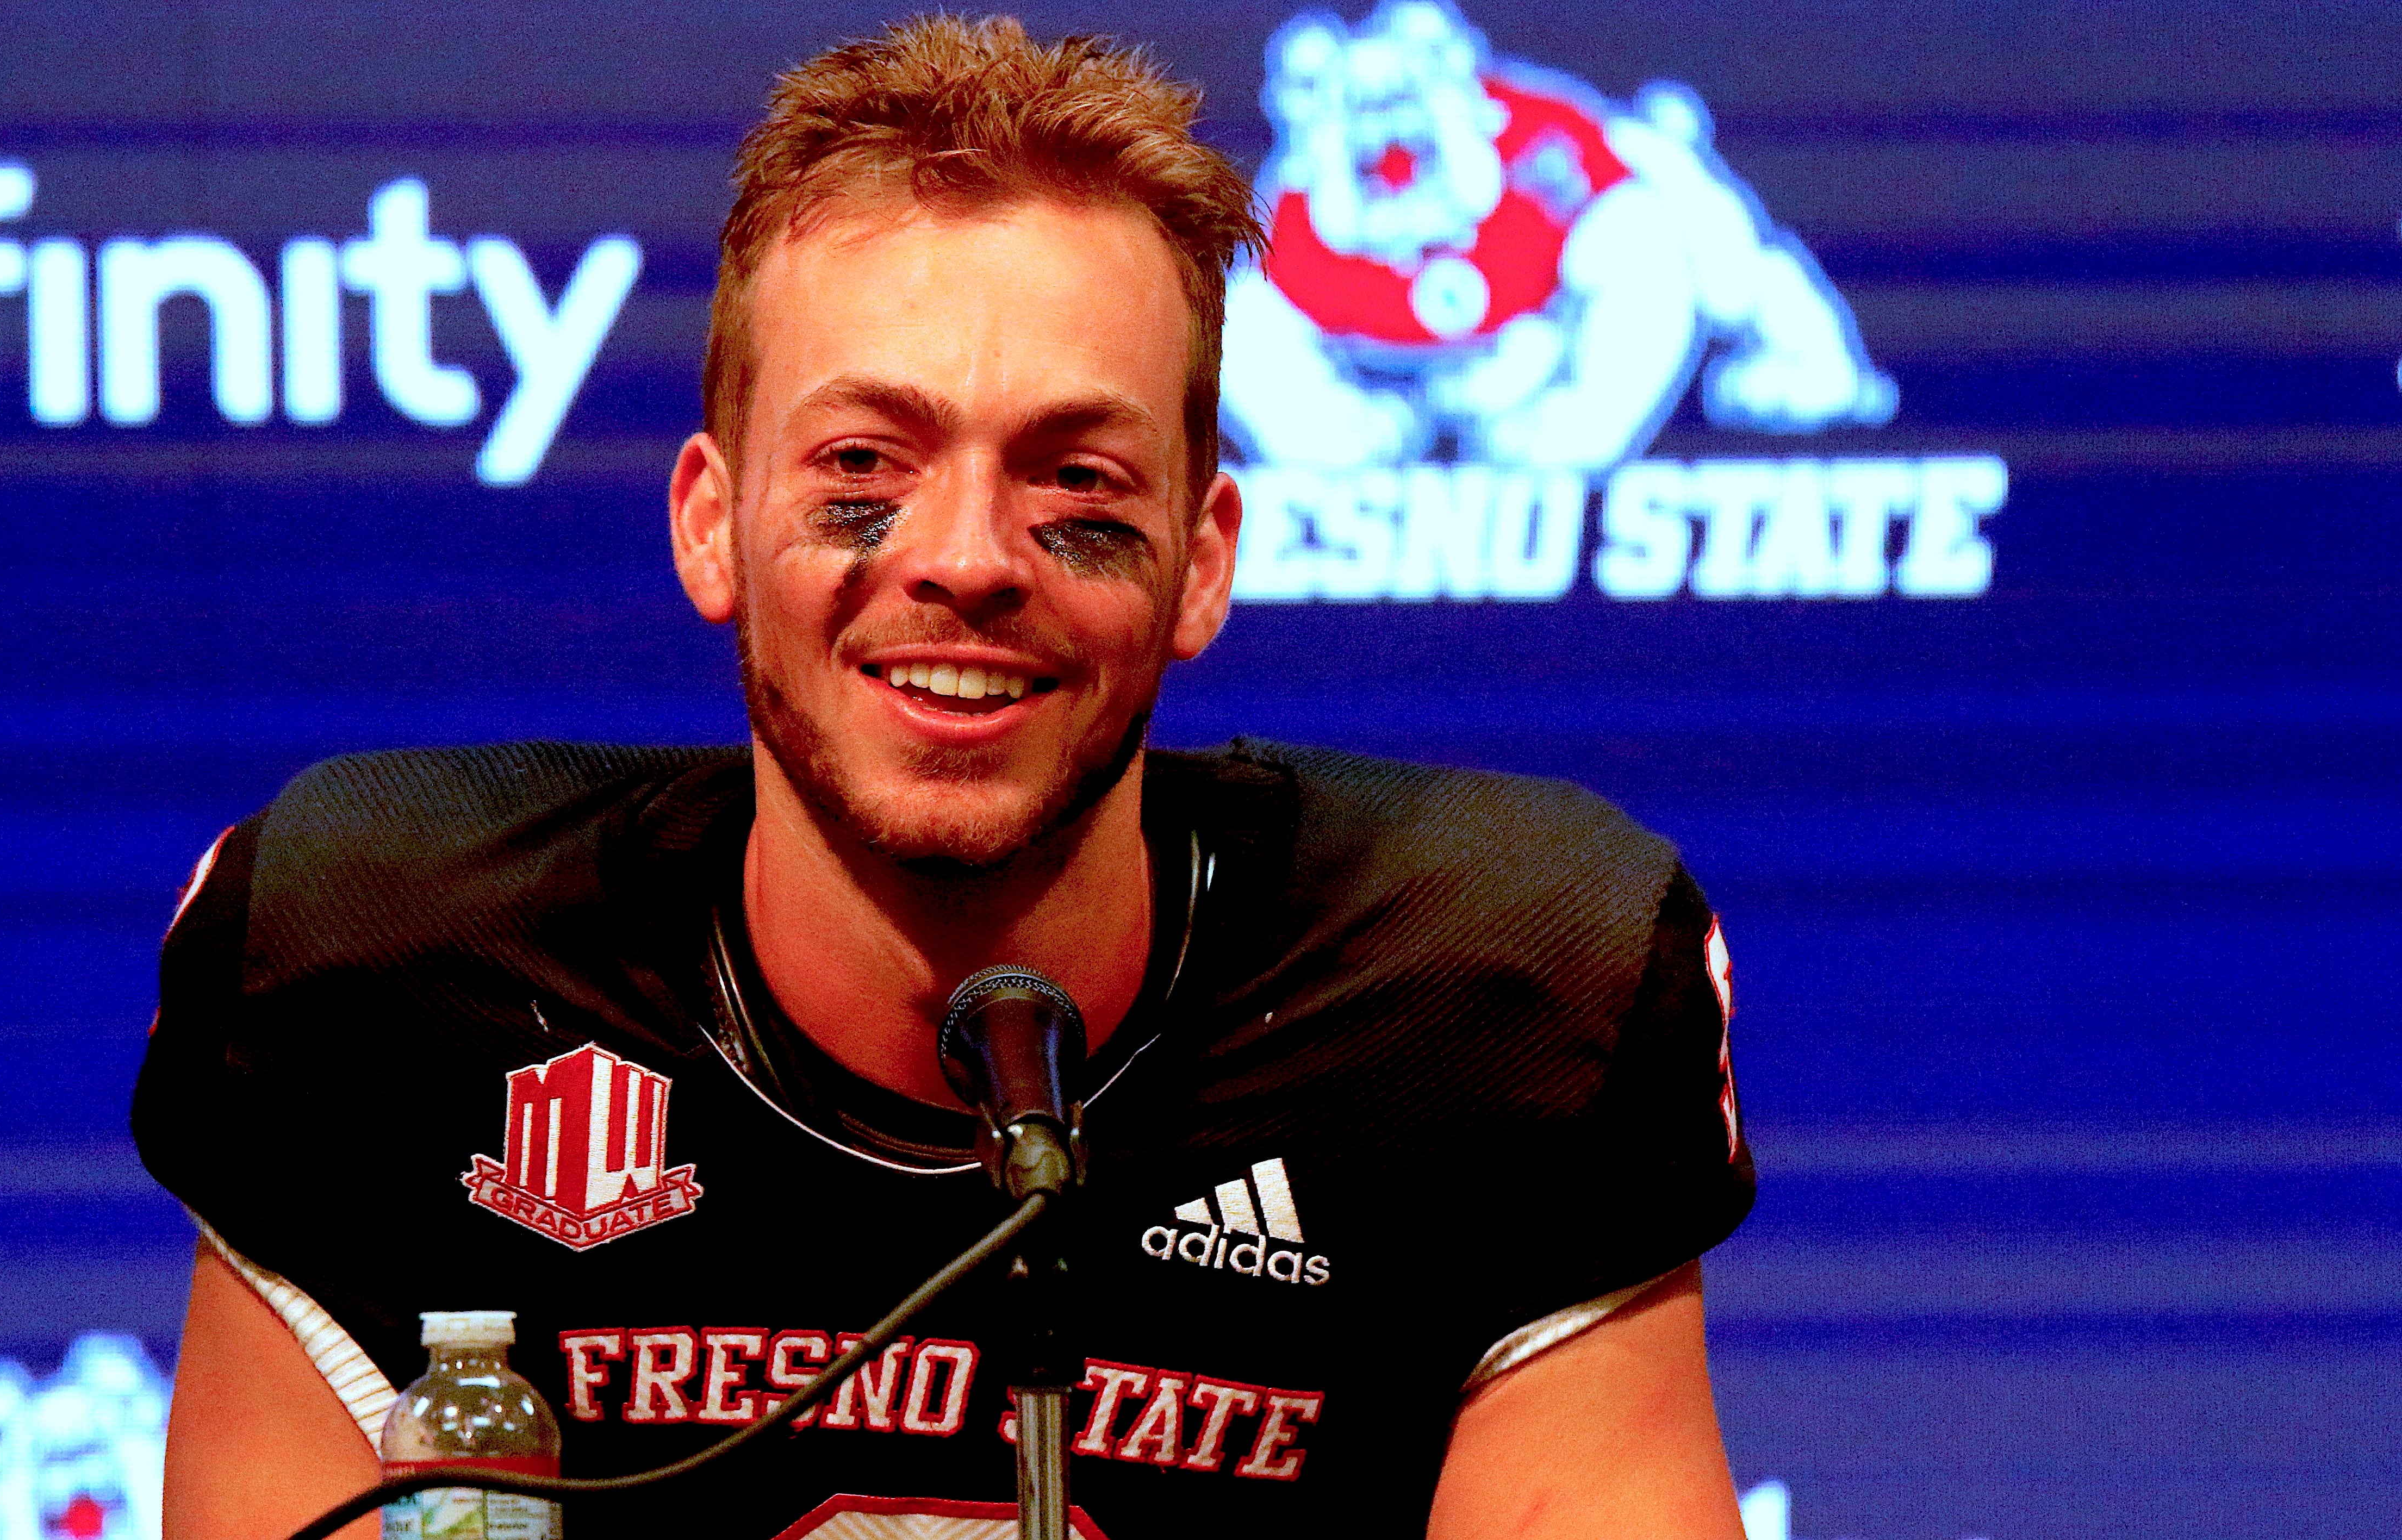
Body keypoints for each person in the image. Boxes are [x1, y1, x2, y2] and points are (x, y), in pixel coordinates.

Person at [136, 16, 1753, 1540]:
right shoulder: (386, 977)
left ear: (1205, 559)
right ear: (710, 521)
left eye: (1077, 480)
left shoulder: (1495, 1008)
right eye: (864, 467)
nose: (969, 559)